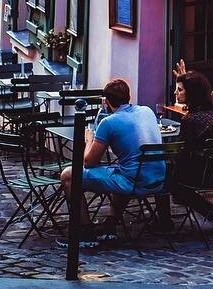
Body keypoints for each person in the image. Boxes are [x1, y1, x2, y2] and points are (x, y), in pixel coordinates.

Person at [59, 76, 168, 235]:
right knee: (121, 169)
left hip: (134, 183)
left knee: (68, 175)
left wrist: (88, 140)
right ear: (128, 97)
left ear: (106, 101)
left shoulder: (109, 122)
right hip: (158, 179)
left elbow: (89, 162)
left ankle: (83, 228)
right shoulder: (147, 111)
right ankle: (111, 222)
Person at [166, 66, 213, 225]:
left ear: (191, 93)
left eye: (179, 90)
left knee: (165, 175)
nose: (175, 93)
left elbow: (181, 151)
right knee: (173, 179)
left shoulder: (191, 120)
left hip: (204, 173)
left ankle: (163, 220)